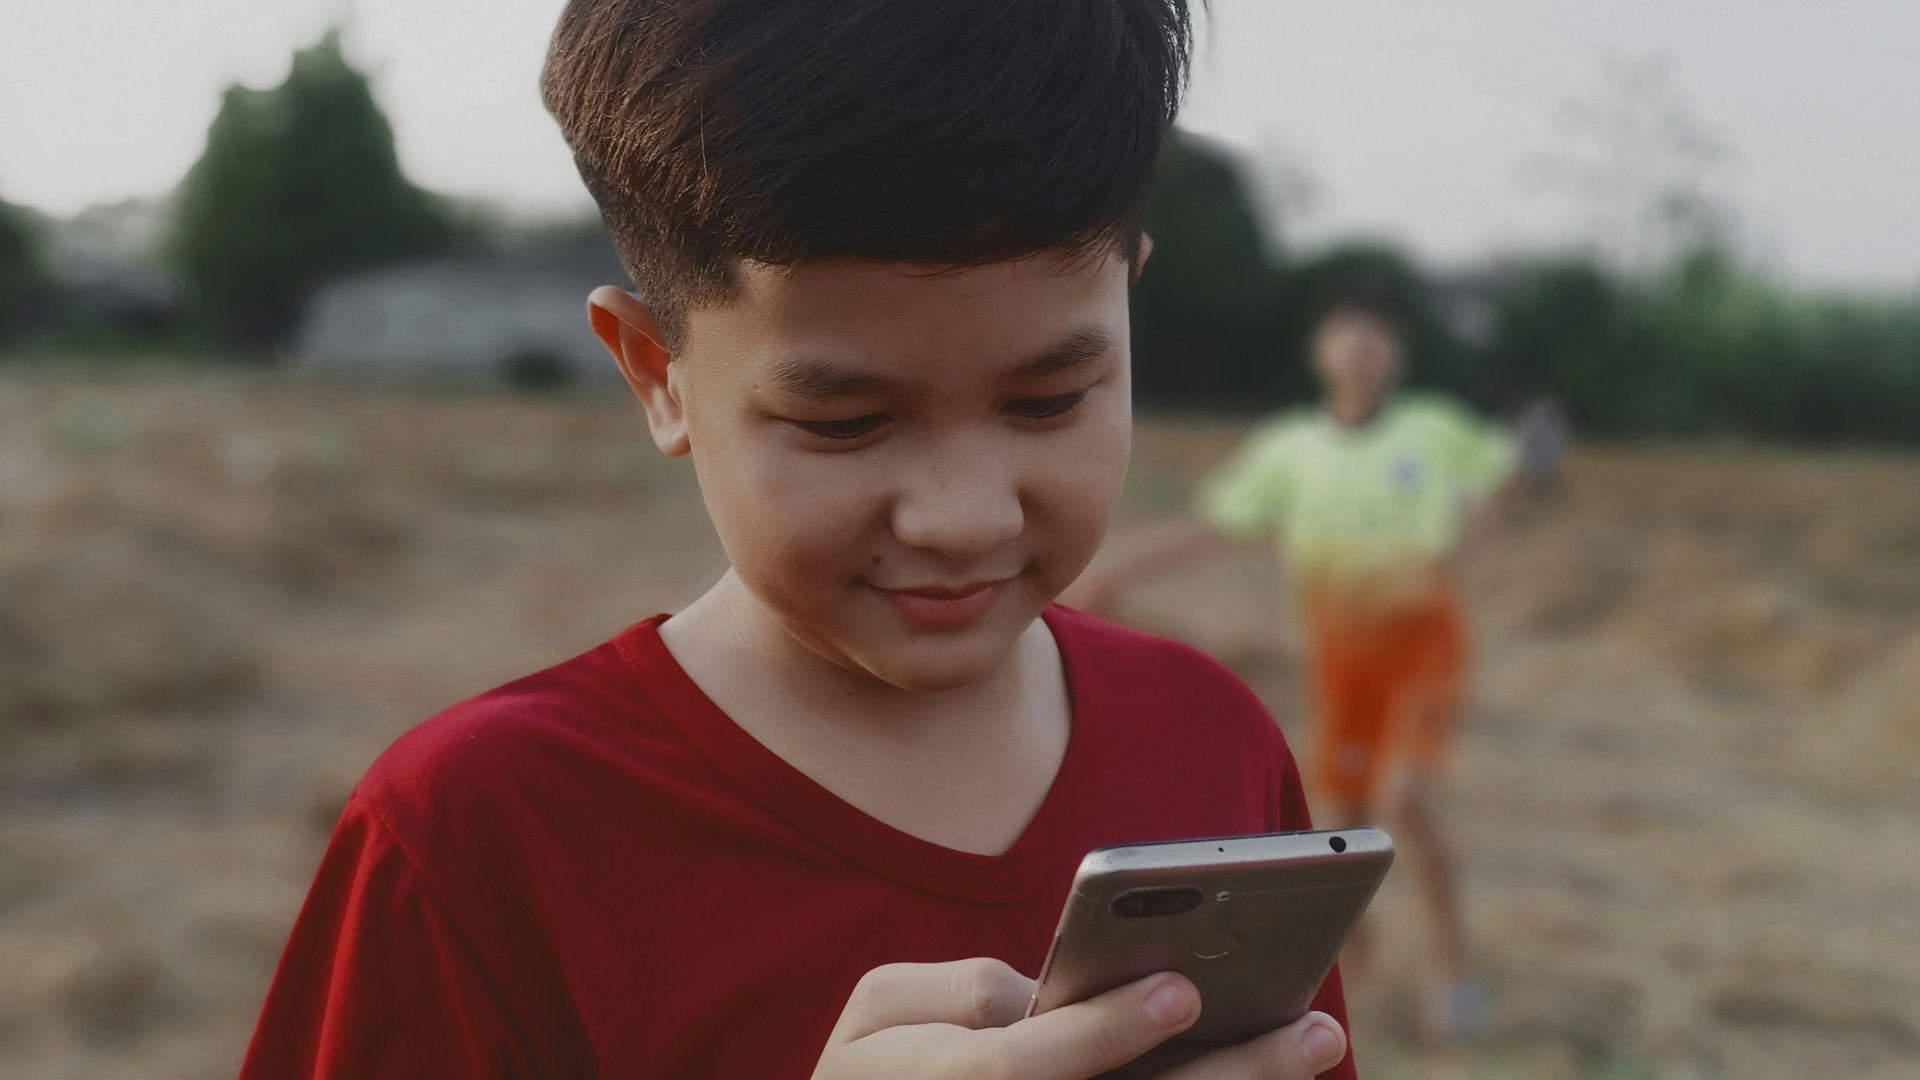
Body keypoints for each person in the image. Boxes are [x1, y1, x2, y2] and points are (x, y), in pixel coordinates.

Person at [240, 2, 1358, 1077]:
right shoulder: (477, 841)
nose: (963, 515)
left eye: (1049, 400)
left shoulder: (1213, 744)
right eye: (847, 422)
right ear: (655, 374)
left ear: (1129, 305)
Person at [1074, 293, 1516, 1038]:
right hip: (1340, 665)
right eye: (1346, 342)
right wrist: (1122, 574)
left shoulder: (1431, 428)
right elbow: (1217, 523)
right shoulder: (1291, 449)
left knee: (1403, 797)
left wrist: (1463, 544)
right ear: (1322, 355)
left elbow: (1498, 472)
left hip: (1424, 651)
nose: (1359, 356)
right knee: (1341, 824)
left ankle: (1452, 971)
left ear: (1393, 357)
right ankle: (1356, 957)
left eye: (1374, 343)